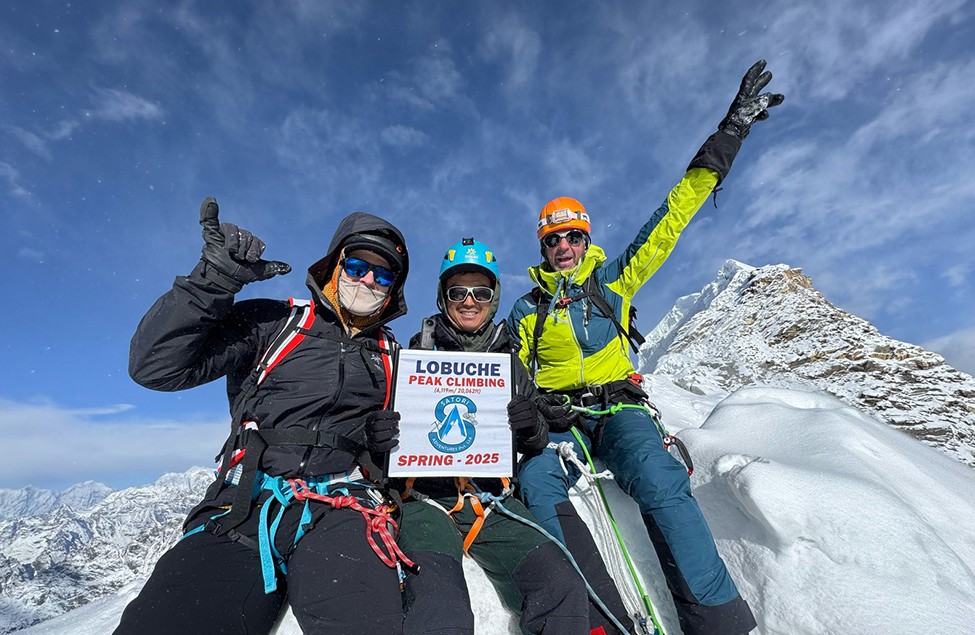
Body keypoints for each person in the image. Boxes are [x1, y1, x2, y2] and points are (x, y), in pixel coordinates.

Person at [507, 60, 784, 635]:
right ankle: (590, 618)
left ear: (587, 238)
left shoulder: (615, 280)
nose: (564, 245)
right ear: (543, 245)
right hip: (560, 420)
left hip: (620, 407)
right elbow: (504, 372)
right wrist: (534, 410)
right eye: (553, 238)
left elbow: (673, 214)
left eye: (573, 235)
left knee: (659, 478)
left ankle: (717, 619)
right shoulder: (525, 310)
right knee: (535, 481)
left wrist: (730, 132)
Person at [116, 198, 413, 635]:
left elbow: (422, 448)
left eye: (383, 274)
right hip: (246, 503)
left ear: (394, 289)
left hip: (343, 509)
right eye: (356, 266)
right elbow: (156, 368)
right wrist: (212, 281)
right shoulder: (276, 322)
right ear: (334, 266)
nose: (368, 280)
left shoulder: (396, 359)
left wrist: (382, 443)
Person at [365, 237, 592, 634]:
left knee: (562, 586)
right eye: (458, 292)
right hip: (425, 500)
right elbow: (383, 442)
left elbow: (536, 440)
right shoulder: (412, 357)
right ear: (443, 297)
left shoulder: (511, 362)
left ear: (494, 297)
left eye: (481, 292)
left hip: (494, 501)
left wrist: (531, 425)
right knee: (440, 609)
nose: (469, 301)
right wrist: (380, 438)